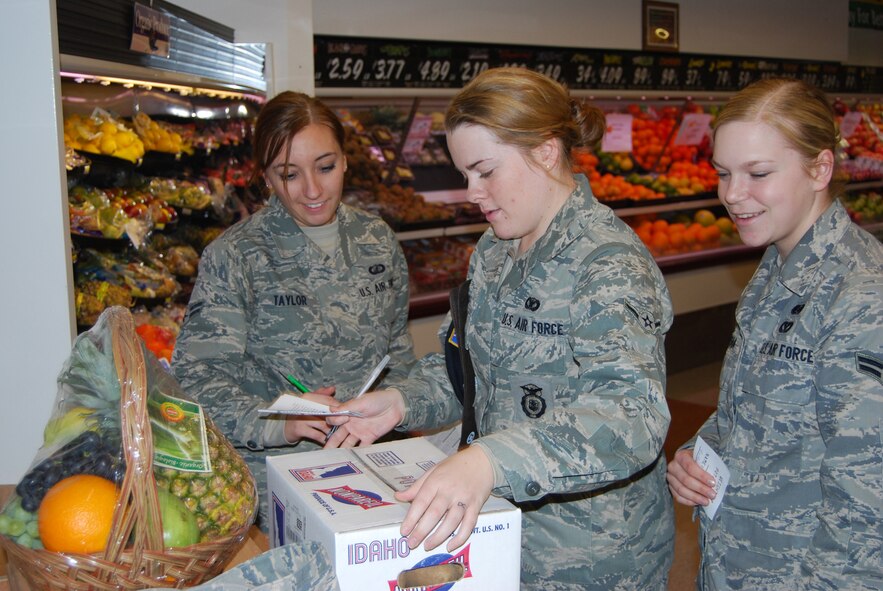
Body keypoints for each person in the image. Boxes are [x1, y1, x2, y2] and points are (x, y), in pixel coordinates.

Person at [327, 67, 675, 590]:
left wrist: (489, 461)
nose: (472, 191)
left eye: (485, 171)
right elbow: (466, 370)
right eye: (465, 174)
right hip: (497, 533)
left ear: (546, 151)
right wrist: (401, 402)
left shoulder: (608, 263)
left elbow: (632, 417)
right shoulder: (493, 252)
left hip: (592, 559)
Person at [666, 77, 883, 590]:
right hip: (737, 562)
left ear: (820, 168)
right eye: (723, 173)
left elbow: (866, 500)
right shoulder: (774, 269)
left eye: (757, 173)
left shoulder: (859, 296)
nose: (732, 195)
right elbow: (755, 406)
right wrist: (698, 452)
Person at [171, 91, 416, 530]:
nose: (313, 190)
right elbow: (195, 379)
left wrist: (395, 406)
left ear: (345, 161)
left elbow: (398, 351)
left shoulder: (376, 240)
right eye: (289, 174)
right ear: (266, 177)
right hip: (276, 480)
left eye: (325, 167)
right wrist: (279, 421)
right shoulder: (237, 256)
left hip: (375, 465)